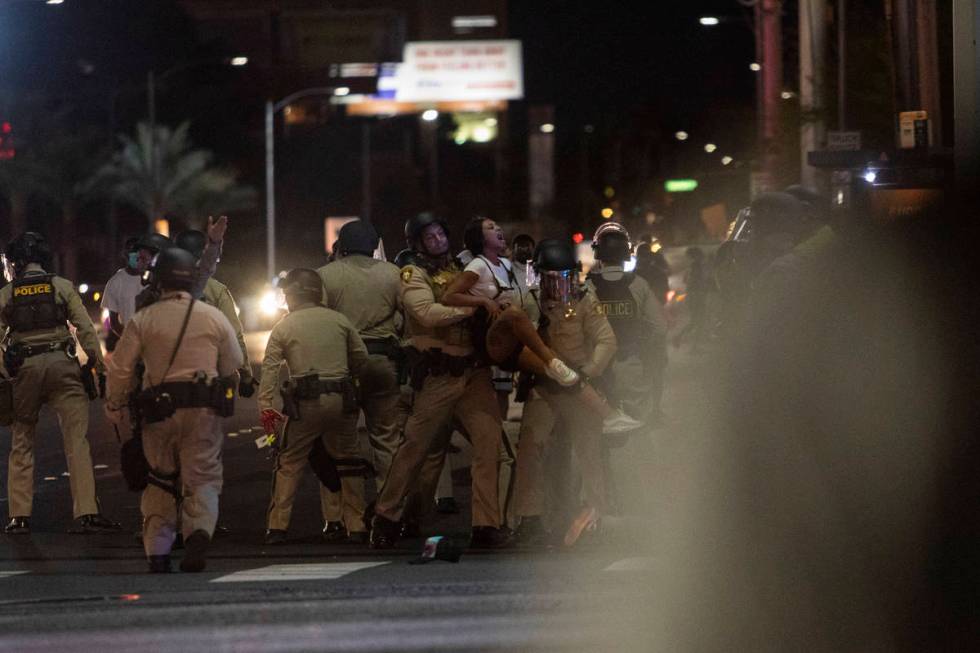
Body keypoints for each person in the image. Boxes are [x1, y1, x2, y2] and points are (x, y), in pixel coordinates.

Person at [369, 212, 509, 549]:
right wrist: (474, 309)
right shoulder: (412, 274)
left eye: (439, 234)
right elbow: (425, 313)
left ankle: (486, 525)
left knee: (490, 446)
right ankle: (386, 517)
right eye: (428, 237)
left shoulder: (461, 270)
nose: (437, 240)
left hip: (473, 372)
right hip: (439, 374)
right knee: (414, 450)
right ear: (416, 244)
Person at [105, 247, 242, 572]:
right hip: (203, 410)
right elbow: (232, 363)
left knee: (160, 478)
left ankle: (157, 551)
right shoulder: (212, 316)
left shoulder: (144, 319)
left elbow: (121, 369)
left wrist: (116, 405)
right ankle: (198, 532)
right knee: (203, 475)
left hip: (158, 411)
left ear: (157, 280)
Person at [0, 232, 121, 535]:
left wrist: (5, 372)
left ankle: (19, 517)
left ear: (16, 263)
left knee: (22, 442)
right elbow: (86, 331)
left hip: (25, 370)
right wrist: (96, 365)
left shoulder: (7, 294)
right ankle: (87, 512)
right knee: (76, 442)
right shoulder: (61, 286)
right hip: (63, 367)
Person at [511, 239, 618, 547]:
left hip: (578, 387)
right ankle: (529, 517)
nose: (557, 286)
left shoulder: (585, 299)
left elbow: (606, 341)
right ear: (539, 276)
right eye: (550, 279)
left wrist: (588, 374)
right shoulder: (530, 301)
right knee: (531, 446)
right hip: (544, 386)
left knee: (589, 450)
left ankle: (593, 513)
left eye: (562, 279)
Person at [259, 268, 370, 545]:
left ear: (293, 295)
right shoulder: (339, 320)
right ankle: (355, 524)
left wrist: (267, 410)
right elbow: (361, 358)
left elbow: (270, 372)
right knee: (348, 463)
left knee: (289, 463)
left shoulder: (284, 326)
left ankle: (277, 527)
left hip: (304, 406)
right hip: (342, 402)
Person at [316, 220, 402, 540]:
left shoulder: (326, 276)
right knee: (387, 439)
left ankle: (340, 517)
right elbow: (407, 317)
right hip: (382, 362)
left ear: (341, 245)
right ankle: (390, 511)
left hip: (341, 365)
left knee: (339, 442)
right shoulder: (393, 274)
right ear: (375, 244)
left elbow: (317, 321)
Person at [441, 217, 581, 387]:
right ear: (480, 238)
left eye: (497, 225)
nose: (498, 228)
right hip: (493, 335)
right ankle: (553, 364)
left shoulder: (507, 264)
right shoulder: (478, 265)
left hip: (516, 332)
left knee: (565, 377)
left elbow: (530, 285)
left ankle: (604, 410)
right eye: (491, 227)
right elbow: (449, 296)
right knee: (516, 317)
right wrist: (484, 301)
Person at [587, 222, 669, 427]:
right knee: (638, 426)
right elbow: (660, 328)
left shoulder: (586, 287)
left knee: (596, 429)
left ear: (598, 253)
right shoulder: (639, 285)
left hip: (595, 371)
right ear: (627, 252)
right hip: (631, 366)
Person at [173, 229, 255, 398]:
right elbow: (234, 334)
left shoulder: (158, 289)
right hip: (207, 370)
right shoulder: (217, 290)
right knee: (230, 382)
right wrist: (246, 375)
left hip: (166, 372)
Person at [101, 233, 170, 351]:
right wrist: (131, 340)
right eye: (134, 254)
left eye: (143, 256)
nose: (138, 259)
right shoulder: (115, 282)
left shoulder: (155, 279)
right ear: (126, 255)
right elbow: (114, 322)